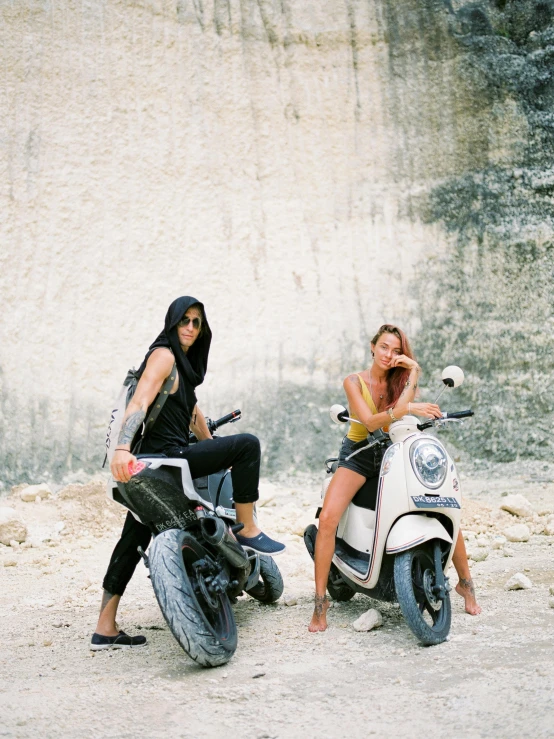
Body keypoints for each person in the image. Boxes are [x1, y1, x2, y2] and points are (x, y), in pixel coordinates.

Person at [91, 296, 285, 651]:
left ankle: (105, 626)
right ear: (172, 322)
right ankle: (248, 528)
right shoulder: (163, 355)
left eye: (197, 322)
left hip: (152, 462)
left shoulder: (182, 369)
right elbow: (141, 399)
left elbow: (194, 417)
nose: (191, 328)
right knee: (248, 445)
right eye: (185, 321)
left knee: (133, 538)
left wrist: (213, 450)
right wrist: (122, 446)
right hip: (166, 458)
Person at [308, 324, 481, 633]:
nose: (389, 355)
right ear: (373, 347)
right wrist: (409, 407)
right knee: (328, 519)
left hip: (396, 450)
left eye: (397, 351)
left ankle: (465, 584)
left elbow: (402, 415)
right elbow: (373, 421)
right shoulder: (353, 381)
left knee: (438, 504)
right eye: (384, 347)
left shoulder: (401, 379)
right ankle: (321, 601)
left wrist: (415, 370)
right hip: (360, 453)